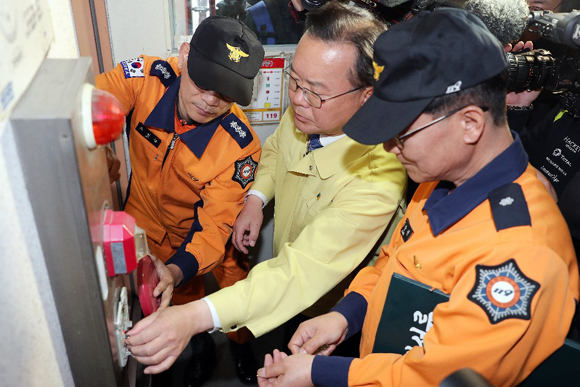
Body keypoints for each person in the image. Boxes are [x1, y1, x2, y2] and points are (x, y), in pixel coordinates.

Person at [257, 8, 580, 387]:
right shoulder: (437, 181)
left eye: (401, 135)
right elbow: (394, 263)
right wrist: (346, 315)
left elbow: (439, 376)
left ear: (470, 124)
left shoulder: (522, 254)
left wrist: (318, 373)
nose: (391, 148)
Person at [124, 1, 406, 375]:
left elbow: (297, 272)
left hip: (339, 312)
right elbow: (276, 151)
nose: (297, 100)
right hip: (287, 295)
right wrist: (256, 199)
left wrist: (192, 317)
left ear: (366, 95)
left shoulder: (378, 176)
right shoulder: (313, 110)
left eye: (314, 92)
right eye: (295, 80)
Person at [95, 16, 264, 385]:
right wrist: (101, 161)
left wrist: (176, 268)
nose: (210, 100)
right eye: (205, 82)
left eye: (226, 92)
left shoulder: (240, 145)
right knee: (177, 300)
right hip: (144, 222)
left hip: (202, 235)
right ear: (185, 55)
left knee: (235, 295)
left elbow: (216, 225)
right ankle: (200, 349)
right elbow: (85, 108)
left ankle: (239, 345)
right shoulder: (144, 79)